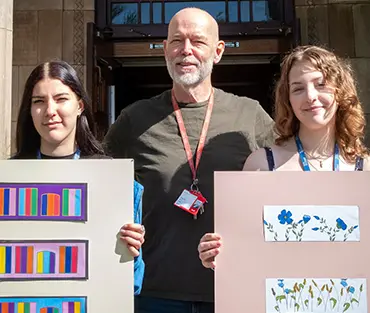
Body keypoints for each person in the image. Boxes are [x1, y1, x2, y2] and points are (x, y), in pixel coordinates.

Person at [104, 7, 274, 313]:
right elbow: (98, 188)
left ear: (218, 51)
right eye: (176, 41)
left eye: (197, 41)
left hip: (233, 290)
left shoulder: (251, 116)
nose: (186, 50)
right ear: (165, 49)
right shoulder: (134, 119)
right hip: (154, 292)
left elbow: (286, 187)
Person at [198, 45, 370, 269]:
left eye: (321, 85)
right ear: (288, 99)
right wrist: (218, 255)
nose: (310, 97)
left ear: (339, 90)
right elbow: (242, 249)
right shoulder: (262, 164)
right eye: (298, 89)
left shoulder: (364, 168)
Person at [12, 60, 145, 294]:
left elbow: (133, 284)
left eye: (61, 99)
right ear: (29, 110)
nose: (50, 110)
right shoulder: (8, 182)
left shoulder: (114, 182)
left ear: (80, 106)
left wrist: (130, 255)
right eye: (39, 101)